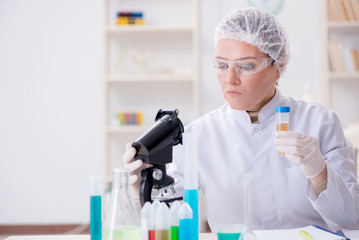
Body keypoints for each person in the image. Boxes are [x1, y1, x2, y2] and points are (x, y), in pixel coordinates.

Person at [123, 7, 359, 231]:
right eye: (222, 65)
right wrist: (138, 190)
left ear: (279, 66)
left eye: (246, 66)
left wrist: (320, 174)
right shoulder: (198, 135)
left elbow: (351, 219)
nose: (230, 79)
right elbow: (167, 221)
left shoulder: (319, 122)